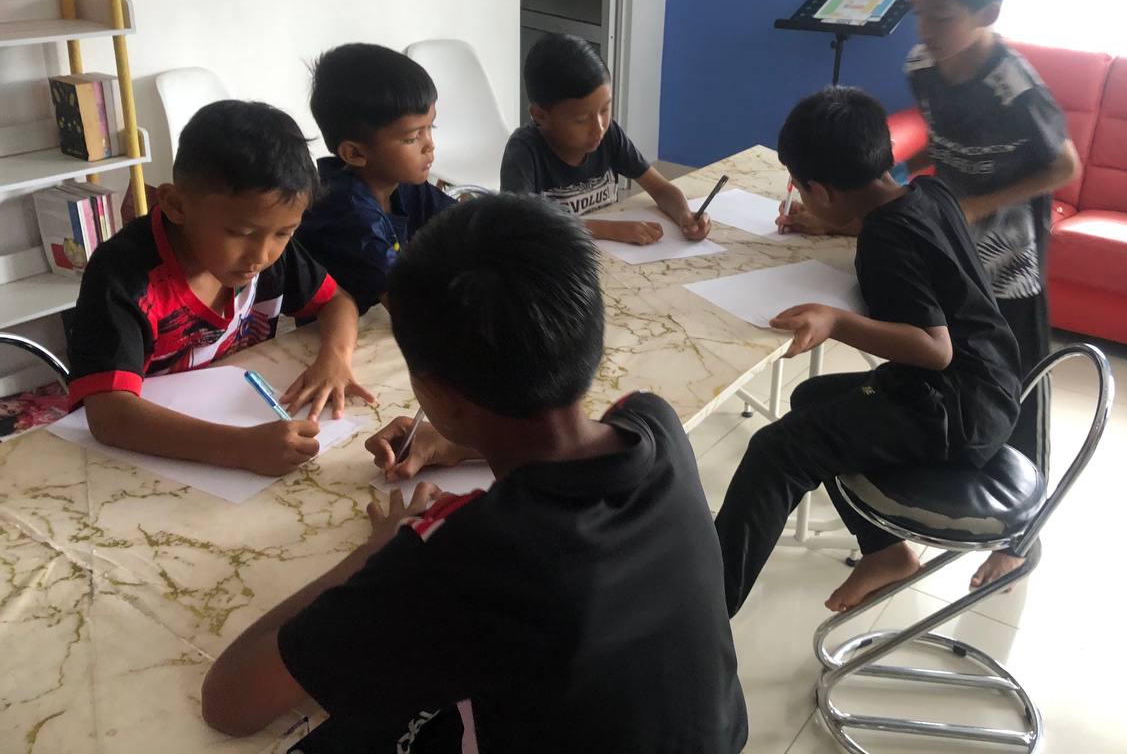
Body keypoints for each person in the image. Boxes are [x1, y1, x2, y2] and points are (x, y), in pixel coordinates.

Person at [201, 194, 748, 753]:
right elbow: (566, 443)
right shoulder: (655, 424)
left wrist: (380, 551)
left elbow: (230, 701)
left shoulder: (463, 555)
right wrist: (459, 444)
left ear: (436, 393)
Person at [780, 0, 1079, 592]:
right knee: (938, 374)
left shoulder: (1013, 85)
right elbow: (917, 156)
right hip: (948, 247)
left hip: (1010, 266)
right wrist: (843, 210)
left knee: (1019, 393)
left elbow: (1064, 165)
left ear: (987, 12)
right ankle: (920, 494)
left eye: (942, 17)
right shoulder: (922, 66)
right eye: (920, 11)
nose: (926, 29)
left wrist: (977, 206)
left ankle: (1020, 539)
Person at [718, 87, 1022, 615]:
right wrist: (833, 222)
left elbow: (934, 349)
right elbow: (904, 231)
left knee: (777, 451)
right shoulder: (929, 193)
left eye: (801, 188)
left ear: (821, 190)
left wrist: (837, 321)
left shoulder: (886, 240)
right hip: (991, 387)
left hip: (953, 411)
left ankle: (703, 614)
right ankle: (885, 552)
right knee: (814, 398)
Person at [66, 101, 371, 475]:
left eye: (284, 233)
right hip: (143, 459)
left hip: (234, 418)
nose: (261, 255)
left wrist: (335, 358)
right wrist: (240, 448)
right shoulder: (124, 276)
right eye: (240, 233)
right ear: (176, 205)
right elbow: (109, 415)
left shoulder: (268, 248)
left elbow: (337, 301)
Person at [501, 32, 711, 245]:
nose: (599, 128)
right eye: (581, 120)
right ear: (540, 116)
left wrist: (685, 215)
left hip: (613, 256)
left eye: (604, 110)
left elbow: (661, 189)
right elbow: (518, 224)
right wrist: (609, 229)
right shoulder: (524, 152)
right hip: (559, 258)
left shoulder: (608, 135)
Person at [296, 43, 455, 314]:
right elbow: (408, 304)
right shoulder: (346, 209)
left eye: (431, 127)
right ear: (355, 153)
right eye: (412, 137)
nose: (430, 145)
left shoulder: (400, 183)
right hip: (334, 328)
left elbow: (466, 223)